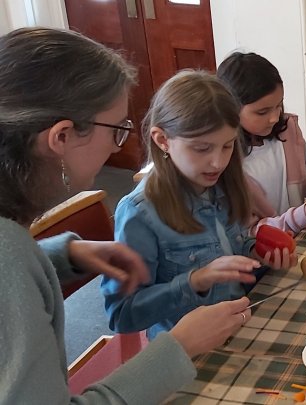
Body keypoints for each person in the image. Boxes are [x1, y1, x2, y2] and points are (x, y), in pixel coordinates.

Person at [0, 27, 250, 404]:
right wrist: (178, 347)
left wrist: (62, 255)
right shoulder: (10, 257)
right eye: (117, 130)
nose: (120, 144)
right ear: (61, 136)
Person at [102, 71, 295, 340]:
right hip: (186, 351)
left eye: (227, 146)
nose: (218, 162)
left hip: (239, 325)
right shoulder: (140, 213)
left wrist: (257, 258)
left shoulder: (224, 186)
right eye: (202, 149)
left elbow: (232, 254)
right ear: (162, 140)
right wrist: (196, 281)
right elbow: (121, 314)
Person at [217, 52, 306, 232]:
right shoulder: (223, 160)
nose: (274, 118)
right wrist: (296, 219)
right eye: (262, 112)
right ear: (231, 109)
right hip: (262, 253)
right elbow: (244, 233)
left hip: (296, 240)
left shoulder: (288, 131)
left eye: (279, 105)